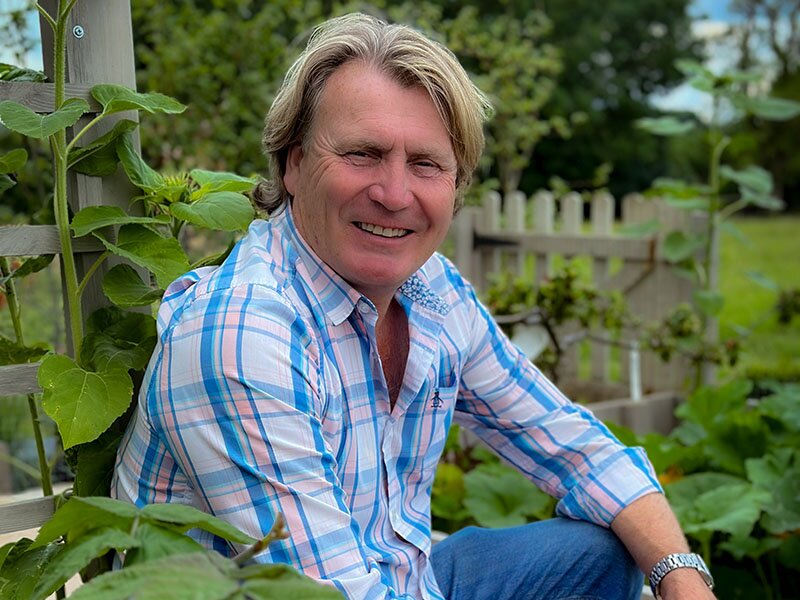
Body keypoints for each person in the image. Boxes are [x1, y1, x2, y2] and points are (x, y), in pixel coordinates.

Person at [112, 12, 716, 600]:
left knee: (603, 552)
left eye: (425, 164)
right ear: (294, 164)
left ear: (456, 184)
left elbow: (579, 451)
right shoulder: (243, 335)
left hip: (401, 581)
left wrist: (682, 577)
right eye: (363, 154)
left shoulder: (432, 291)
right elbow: (331, 594)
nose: (395, 193)